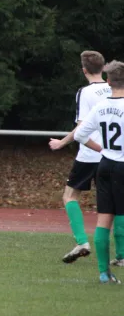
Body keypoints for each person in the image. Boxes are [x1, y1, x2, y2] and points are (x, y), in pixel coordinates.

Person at [49, 51, 111, 263]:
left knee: (70, 196)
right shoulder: (116, 88)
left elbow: (82, 126)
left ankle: (82, 242)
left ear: (84, 70)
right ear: (103, 68)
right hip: (113, 156)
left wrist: (62, 142)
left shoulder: (85, 92)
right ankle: (121, 255)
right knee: (116, 204)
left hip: (89, 155)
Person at [73, 59, 124, 284]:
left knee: (104, 220)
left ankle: (104, 273)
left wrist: (102, 148)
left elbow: (80, 135)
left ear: (108, 80)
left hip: (105, 165)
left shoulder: (101, 106)